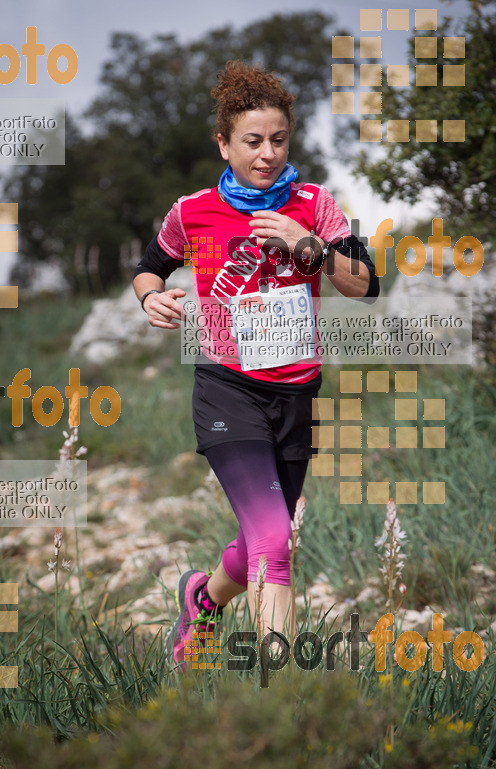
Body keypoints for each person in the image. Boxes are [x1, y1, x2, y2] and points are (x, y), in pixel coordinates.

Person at [133, 60, 379, 668]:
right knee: (275, 541)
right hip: (226, 391)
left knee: (264, 539)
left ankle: (201, 599)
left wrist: (309, 247)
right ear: (223, 143)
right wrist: (149, 297)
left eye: (278, 140)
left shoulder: (315, 204)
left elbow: (367, 285)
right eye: (251, 142)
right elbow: (148, 267)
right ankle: (282, 706)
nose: (266, 154)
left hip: (296, 394)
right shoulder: (191, 212)